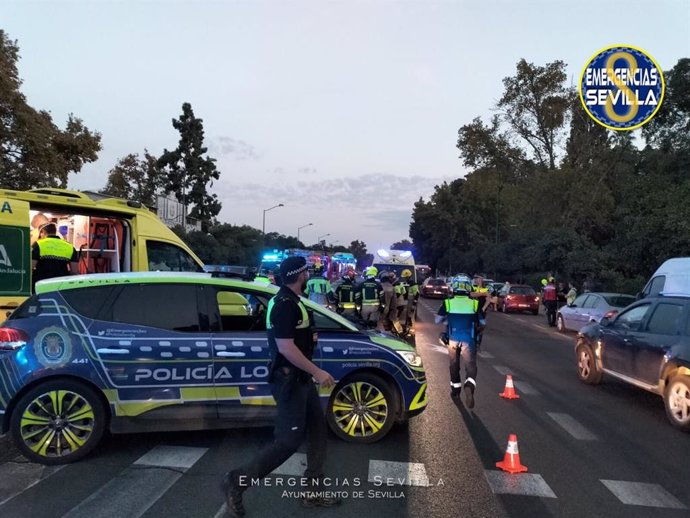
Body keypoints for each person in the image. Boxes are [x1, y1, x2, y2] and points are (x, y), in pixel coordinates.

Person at [221, 256, 341, 517]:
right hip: (289, 381)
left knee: (318, 433)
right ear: (301, 275)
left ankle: (313, 491)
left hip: (300, 379)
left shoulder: (292, 301)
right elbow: (286, 347)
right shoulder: (285, 304)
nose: (309, 275)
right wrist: (318, 372)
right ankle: (236, 482)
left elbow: (295, 338)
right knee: (288, 441)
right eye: (307, 272)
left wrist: (310, 340)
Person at [436, 282, 479, 408]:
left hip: (452, 339)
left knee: (454, 365)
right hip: (469, 340)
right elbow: (482, 322)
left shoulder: (448, 303)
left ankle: (455, 391)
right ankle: (469, 387)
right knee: (471, 367)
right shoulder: (475, 304)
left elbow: (437, 320)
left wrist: (448, 319)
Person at [32, 223, 79, 291]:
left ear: (43, 232)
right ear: (55, 232)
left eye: (40, 234)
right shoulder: (69, 246)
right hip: (61, 285)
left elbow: (31, 267)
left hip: (42, 285)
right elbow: (74, 271)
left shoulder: (38, 244)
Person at [469, 275, 491, 348]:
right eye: (475, 278)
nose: (475, 280)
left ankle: (478, 340)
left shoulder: (486, 289)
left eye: (477, 278)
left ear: (481, 279)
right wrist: (482, 294)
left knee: (482, 324)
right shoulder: (473, 287)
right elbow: (471, 294)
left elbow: (488, 299)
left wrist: (484, 308)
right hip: (472, 310)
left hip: (481, 310)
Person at [379, 271, 403, 335]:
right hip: (390, 307)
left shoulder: (379, 286)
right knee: (394, 319)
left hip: (381, 308)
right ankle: (400, 331)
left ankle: (383, 335)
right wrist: (393, 310)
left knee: (380, 322)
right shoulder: (392, 287)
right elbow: (394, 301)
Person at [401, 269, 419, 335]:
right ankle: (406, 329)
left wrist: (414, 304)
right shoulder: (409, 283)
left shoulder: (413, 284)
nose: (404, 279)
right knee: (407, 316)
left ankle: (410, 331)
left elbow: (416, 294)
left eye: (404, 277)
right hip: (409, 301)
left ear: (407, 277)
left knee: (410, 316)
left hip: (412, 301)